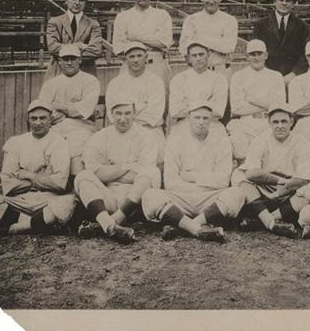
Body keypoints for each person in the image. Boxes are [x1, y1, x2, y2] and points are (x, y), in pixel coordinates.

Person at [141, 102, 246, 242]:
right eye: (197, 117)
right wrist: (203, 183)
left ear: (211, 120)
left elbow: (222, 181)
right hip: (181, 198)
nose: (201, 122)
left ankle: (184, 227)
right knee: (150, 195)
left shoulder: (222, 141)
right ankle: (198, 228)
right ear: (188, 118)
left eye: (205, 118)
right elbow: (170, 183)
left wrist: (191, 177)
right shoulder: (175, 141)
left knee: (236, 194)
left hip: (209, 199)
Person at [74, 98, 160, 243]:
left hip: (135, 199)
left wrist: (110, 171)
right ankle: (109, 225)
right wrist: (128, 166)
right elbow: (96, 172)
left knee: (151, 173)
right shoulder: (100, 137)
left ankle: (112, 221)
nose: (123, 119)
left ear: (134, 113)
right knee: (83, 176)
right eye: (118, 114)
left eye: (127, 113)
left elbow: (145, 173)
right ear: (111, 114)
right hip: (107, 197)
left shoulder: (146, 136)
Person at [0, 100, 76, 236]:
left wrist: (27, 175)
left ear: (50, 120)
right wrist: (44, 179)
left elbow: (59, 183)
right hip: (20, 200)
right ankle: (38, 223)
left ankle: (20, 226)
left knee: (69, 202)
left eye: (43, 118)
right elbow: (7, 182)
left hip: (48, 200)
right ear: (28, 120)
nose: (38, 122)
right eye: (34, 118)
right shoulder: (17, 142)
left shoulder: (59, 142)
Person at [232, 102, 310, 238]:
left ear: (292, 122)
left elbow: (303, 179)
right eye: (275, 122)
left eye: (284, 121)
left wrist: (281, 190)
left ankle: (261, 220)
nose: (280, 126)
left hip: (290, 190)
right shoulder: (261, 139)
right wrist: (280, 182)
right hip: (265, 188)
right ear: (269, 122)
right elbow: (251, 173)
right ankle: (270, 222)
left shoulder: (302, 142)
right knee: (238, 176)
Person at [38, 44, 100, 177]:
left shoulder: (90, 81)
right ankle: (55, 181)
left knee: (77, 142)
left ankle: (77, 181)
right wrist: (71, 108)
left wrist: (58, 106)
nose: (70, 62)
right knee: (50, 143)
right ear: (60, 61)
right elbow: (44, 111)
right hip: (56, 127)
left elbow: (85, 110)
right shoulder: (51, 84)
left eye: (73, 58)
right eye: (66, 59)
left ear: (80, 60)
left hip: (83, 126)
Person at [105, 41, 166, 166]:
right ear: (125, 59)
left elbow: (154, 114)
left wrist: (128, 115)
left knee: (156, 152)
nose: (136, 60)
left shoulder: (156, 81)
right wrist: (140, 109)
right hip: (122, 130)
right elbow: (112, 115)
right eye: (131, 56)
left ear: (146, 58)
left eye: (139, 56)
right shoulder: (115, 83)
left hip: (149, 129)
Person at [227, 40, 285, 161]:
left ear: (266, 55)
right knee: (241, 148)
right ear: (247, 57)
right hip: (246, 121)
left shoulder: (276, 76)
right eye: (253, 54)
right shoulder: (238, 76)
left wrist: (251, 99)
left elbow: (280, 106)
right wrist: (268, 103)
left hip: (268, 121)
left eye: (259, 53)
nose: (256, 57)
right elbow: (237, 108)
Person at [112, 0, 173, 89]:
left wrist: (134, 37)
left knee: (158, 103)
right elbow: (118, 47)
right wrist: (152, 43)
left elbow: (164, 42)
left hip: (156, 66)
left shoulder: (162, 15)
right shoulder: (123, 17)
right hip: (130, 68)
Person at [252, 0, 310, 85]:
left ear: (293, 3)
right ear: (274, 1)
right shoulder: (261, 25)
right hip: (266, 77)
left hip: (293, 79)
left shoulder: (302, 26)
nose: (284, 3)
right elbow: (255, 51)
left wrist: (294, 73)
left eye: (288, 0)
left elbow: (306, 53)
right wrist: (267, 73)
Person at [168, 40, 228, 136]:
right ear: (188, 59)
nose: (198, 58)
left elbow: (219, 110)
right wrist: (207, 104)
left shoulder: (219, 79)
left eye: (201, 54)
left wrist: (188, 106)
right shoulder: (179, 79)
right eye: (194, 55)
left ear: (208, 55)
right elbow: (175, 111)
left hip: (212, 125)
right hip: (185, 124)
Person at [178, 0, 238, 76]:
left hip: (219, 71)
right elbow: (183, 49)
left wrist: (198, 39)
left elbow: (228, 47)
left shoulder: (229, 20)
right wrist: (217, 43)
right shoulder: (191, 19)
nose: (211, 1)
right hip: (197, 72)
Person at [46, 0, 102, 78]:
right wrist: (80, 46)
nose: (77, 3)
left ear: (86, 3)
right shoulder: (54, 22)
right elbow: (52, 48)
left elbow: (96, 50)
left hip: (86, 74)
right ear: (66, 0)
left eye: (81, 0)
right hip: (58, 74)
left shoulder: (93, 25)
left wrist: (65, 51)